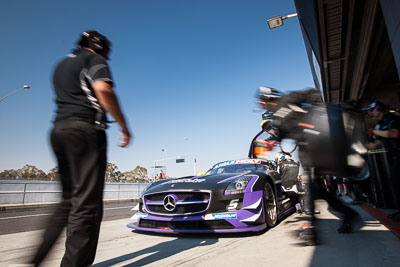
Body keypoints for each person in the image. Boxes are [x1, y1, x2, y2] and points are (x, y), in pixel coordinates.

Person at [29, 30, 131, 266]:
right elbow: (103, 90)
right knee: (87, 206)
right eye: (108, 52)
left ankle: (33, 261)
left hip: (59, 130)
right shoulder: (93, 59)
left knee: (67, 201)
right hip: (85, 131)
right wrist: (124, 127)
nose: (109, 58)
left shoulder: (61, 65)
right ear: (97, 46)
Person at [257, 86, 363, 245]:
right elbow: (279, 135)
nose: (260, 104)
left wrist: (312, 117)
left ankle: (313, 230)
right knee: (315, 190)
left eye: (261, 101)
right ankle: (344, 216)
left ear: (266, 98)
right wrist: (269, 144)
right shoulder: (277, 118)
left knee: (313, 190)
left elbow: (313, 93)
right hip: (307, 153)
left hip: (317, 147)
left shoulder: (289, 98)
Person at [364, 100, 400, 220]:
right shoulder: (379, 125)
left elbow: (394, 134)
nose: (371, 112)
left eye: (372, 110)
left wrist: (374, 132)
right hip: (395, 156)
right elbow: (376, 144)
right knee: (395, 183)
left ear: (379, 109)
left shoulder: (392, 118)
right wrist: (361, 148)